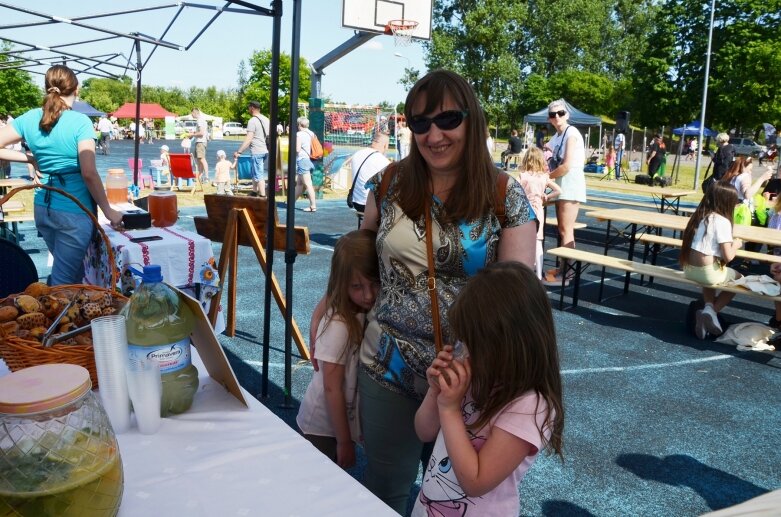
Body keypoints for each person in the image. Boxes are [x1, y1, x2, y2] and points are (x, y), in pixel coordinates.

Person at [310, 69, 536, 514]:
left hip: (468, 377)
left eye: (448, 119)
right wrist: (329, 301)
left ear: (473, 121)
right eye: (420, 123)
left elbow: (516, 299)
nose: (434, 134)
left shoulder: (504, 196)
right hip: (388, 363)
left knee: (450, 499)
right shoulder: (390, 183)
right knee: (385, 491)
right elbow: (360, 256)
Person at [412, 261, 564, 516]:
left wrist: (450, 409)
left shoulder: (529, 405)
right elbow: (423, 432)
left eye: (474, 343)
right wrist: (435, 390)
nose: (465, 351)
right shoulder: (474, 378)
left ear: (511, 344)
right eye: (463, 340)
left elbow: (476, 482)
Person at [0, 64, 123, 285]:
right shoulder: (81, 122)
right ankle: (54, 319)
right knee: (63, 282)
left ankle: (69, 317)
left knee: (72, 275)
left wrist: (31, 157)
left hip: (43, 209)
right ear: (76, 89)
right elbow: (89, 173)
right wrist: (108, 210)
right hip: (73, 213)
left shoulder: (29, 118)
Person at [297, 230, 380, 468]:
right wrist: (344, 441)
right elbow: (332, 387)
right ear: (340, 284)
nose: (368, 295)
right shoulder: (339, 324)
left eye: (374, 284)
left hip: (332, 425)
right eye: (357, 286)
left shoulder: (358, 312)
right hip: (321, 430)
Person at [679, 183, 743, 339]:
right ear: (727, 202)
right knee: (740, 280)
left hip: (688, 270)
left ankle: (707, 307)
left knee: (713, 273)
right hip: (707, 274)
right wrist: (737, 244)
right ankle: (712, 312)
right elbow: (728, 257)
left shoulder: (699, 216)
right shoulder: (722, 221)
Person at [543, 99, 586, 286]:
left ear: (567, 115)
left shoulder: (571, 133)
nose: (557, 117)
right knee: (562, 230)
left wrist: (546, 177)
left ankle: (568, 274)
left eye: (560, 113)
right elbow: (545, 150)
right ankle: (562, 269)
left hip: (570, 181)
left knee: (566, 230)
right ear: (549, 118)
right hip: (561, 181)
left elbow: (567, 165)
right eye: (553, 115)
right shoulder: (557, 135)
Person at [518, 147, 562, 279]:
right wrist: (547, 196)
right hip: (538, 209)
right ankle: (538, 274)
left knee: (522, 240)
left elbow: (515, 189)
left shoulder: (523, 176)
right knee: (538, 241)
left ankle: (522, 270)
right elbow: (559, 190)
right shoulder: (544, 177)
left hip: (524, 209)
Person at [345, 132, 390, 213]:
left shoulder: (358, 153)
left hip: (356, 202)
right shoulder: (382, 160)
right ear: (385, 145)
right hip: (371, 205)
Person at [233, 101, 270, 197]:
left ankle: (262, 196)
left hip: (257, 150)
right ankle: (254, 191)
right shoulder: (266, 119)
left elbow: (248, 139)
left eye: (249, 107)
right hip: (265, 149)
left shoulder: (252, 121)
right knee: (255, 171)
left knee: (258, 174)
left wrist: (239, 151)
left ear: (252, 108)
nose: (248, 109)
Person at [294, 116, 317, 213]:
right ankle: (291, 202)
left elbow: (297, 149)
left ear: (299, 124)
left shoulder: (299, 134)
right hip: (310, 160)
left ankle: (313, 206)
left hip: (302, 160)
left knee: (308, 184)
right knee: (299, 183)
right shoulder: (311, 133)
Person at [191, 107, 209, 184]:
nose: (191, 115)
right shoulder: (202, 120)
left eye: (192, 113)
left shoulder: (200, 120)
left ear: (195, 113)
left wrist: (192, 134)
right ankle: (200, 176)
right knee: (199, 160)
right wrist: (194, 133)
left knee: (202, 159)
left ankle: (206, 177)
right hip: (200, 141)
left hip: (200, 142)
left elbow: (201, 133)